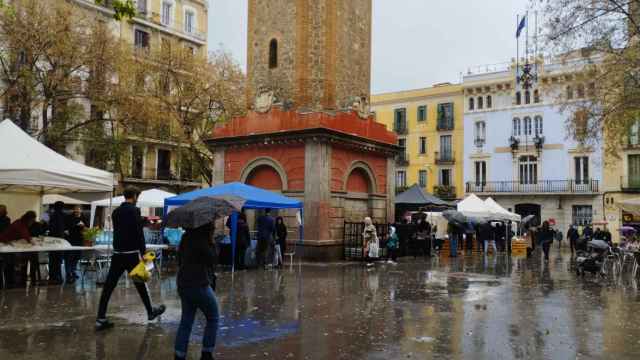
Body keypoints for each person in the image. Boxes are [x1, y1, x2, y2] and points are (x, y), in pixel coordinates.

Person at [96, 186, 165, 331]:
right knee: (140, 283)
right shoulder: (134, 210)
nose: (137, 199)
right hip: (131, 254)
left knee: (109, 286)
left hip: (117, 253)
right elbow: (137, 233)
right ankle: (150, 312)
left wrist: (142, 221)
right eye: (137, 197)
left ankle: (100, 318)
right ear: (134, 196)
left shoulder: (116, 212)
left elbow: (124, 229)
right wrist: (144, 253)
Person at [174, 223, 219, 360]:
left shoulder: (186, 238)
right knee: (213, 317)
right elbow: (213, 259)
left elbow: (179, 260)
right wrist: (212, 242)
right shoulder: (202, 241)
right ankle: (207, 353)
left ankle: (179, 355)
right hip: (199, 284)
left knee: (186, 321)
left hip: (183, 284)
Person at [65, 205, 87, 283]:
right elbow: (67, 228)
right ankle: (68, 273)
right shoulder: (69, 217)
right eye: (76, 209)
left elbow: (86, 227)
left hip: (80, 239)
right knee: (69, 256)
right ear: (73, 210)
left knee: (77, 256)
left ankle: (73, 271)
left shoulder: (83, 217)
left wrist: (84, 226)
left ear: (81, 210)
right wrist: (75, 226)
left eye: (79, 210)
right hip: (71, 239)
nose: (77, 211)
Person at [48, 201, 66, 284]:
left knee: (52, 259)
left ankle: (52, 276)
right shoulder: (64, 215)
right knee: (58, 260)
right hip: (60, 240)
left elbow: (43, 224)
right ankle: (58, 277)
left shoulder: (48, 214)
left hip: (51, 239)